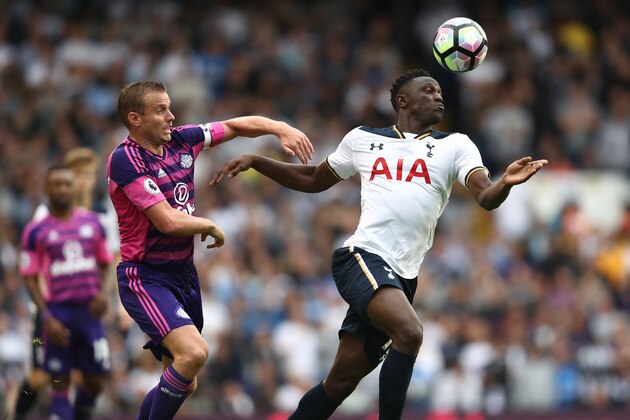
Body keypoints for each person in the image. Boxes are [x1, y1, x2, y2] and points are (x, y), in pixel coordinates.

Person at [209, 68, 548, 419]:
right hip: (361, 257)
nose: (438, 96)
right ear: (403, 100)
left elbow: (486, 197)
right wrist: (258, 161)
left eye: (440, 92)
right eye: (428, 90)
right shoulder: (362, 139)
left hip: (401, 277)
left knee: (339, 383)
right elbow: (314, 178)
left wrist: (506, 182)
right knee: (411, 332)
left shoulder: (456, 145)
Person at [107, 80, 313, 420]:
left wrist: (279, 127)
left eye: (170, 107)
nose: (171, 116)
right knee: (194, 353)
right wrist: (209, 225)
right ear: (135, 119)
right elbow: (167, 222)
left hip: (184, 274)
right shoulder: (125, 160)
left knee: (185, 381)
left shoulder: (183, 140)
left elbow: (232, 126)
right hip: (145, 277)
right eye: (161, 110)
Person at [12, 147, 121, 420]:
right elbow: (33, 265)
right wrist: (46, 307)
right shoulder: (42, 217)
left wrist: (116, 302)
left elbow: (111, 258)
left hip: (88, 309)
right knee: (40, 377)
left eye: (88, 175)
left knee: (92, 377)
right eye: (78, 175)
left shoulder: (100, 216)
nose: (84, 181)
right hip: (48, 313)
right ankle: (15, 414)